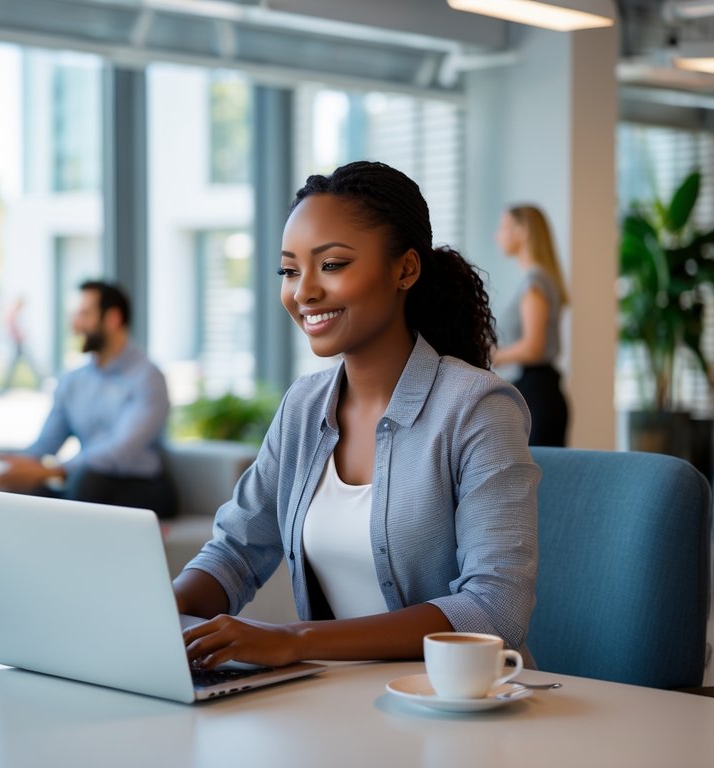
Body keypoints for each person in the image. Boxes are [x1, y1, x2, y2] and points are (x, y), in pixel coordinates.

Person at [174, 161, 539, 671]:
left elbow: (495, 608)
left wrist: (295, 639)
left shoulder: (477, 408)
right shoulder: (303, 406)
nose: (303, 292)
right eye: (289, 270)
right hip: (337, 699)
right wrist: (155, 611)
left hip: (454, 702)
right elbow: (234, 552)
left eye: (332, 264)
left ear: (405, 270)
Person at [0, 281, 177, 519]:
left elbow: (121, 451)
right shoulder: (73, 380)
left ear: (113, 318)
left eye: (84, 315)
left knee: (87, 479)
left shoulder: (147, 377)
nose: (75, 325)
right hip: (84, 483)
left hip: (140, 486)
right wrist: (18, 464)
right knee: (29, 488)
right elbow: (47, 442)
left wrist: (53, 471)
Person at [491, 204, 570, 447]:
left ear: (523, 230)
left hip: (538, 394)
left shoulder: (534, 283)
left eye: (503, 227)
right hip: (539, 391)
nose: (497, 235)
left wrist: (493, 355)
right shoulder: (539, 279)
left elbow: (534, 347)